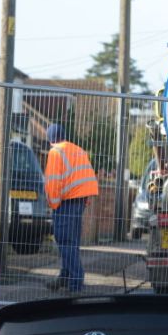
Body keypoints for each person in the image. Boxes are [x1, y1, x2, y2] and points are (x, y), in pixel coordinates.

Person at [43, 123, 98, 293]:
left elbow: (53, 181)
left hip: (66, 203)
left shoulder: (55, 152)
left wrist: (53, 204)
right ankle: (65, 278)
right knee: (71, 243)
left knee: (65, 242)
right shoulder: (77, 149)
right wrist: (85, 200)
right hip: (79, 201)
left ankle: (75, 283)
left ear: (50, 139)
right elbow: (87, 175)